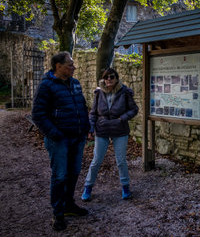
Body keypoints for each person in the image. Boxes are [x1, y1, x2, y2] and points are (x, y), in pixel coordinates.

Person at [32, 51, 90, 231]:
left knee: (73, 172)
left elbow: (82, 106)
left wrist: (86, 128)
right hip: (59, 140)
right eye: (70, 64)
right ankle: (58, 213)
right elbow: (38, 115)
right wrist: (55, 134)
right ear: (59, 66)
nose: (74, 67)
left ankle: (68, 205)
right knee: (59, 176)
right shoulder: (46, 86)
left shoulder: (75, 83)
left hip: (77, 137)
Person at [81, 68, 138, 202]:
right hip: (102, 130)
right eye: (106, 77)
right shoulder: (99, 93)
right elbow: (93, 113)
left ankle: (125, 187)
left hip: (119, 130)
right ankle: (88, 187)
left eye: (112, 77)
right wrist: (91, 128)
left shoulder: (125, 92)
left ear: (116, 78)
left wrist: (122, 118)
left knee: (121, 161)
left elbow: (134, 109)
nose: (109, 80)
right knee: (96, 161)